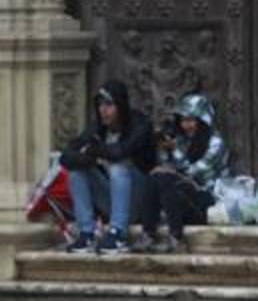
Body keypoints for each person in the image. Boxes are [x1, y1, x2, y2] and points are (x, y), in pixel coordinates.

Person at [59, 79, 156, 254]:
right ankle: (86, 232)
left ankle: (118, 234)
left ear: (121, 105)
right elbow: (66, 157)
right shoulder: (98, 127)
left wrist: (94, 150)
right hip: (111, 198)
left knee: (118, 168)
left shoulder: (140, 124)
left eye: (109, 105)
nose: (104, 110)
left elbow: (120, 152)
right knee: (77, 172)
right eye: (100, 105)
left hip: (140, 198)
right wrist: (91, 159)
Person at [136, 93, 230, 253]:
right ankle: (148, 233)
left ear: (203, 122)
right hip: (176, 197)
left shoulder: (216, 143)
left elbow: (195, 173)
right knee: (155, 177)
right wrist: (165, 150)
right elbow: (166, 168)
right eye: (184, 120)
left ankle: (176, 237)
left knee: (165, 177)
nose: (187, 125)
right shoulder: (181, 140)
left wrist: (175, 153)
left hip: (205, 201)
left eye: (191, 120)